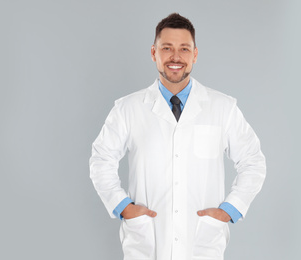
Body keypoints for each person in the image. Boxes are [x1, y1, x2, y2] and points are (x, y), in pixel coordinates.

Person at [89, 13, 266, 260]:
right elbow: (101, 160)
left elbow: (253, 161)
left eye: (184, 48)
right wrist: (123, 207)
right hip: (146, 243)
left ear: (195, 54)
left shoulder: (222, 107)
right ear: (154, 53)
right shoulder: (128, 109)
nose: (175, 57)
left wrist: (231, 209)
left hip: (202, 243)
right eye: (167, 48)